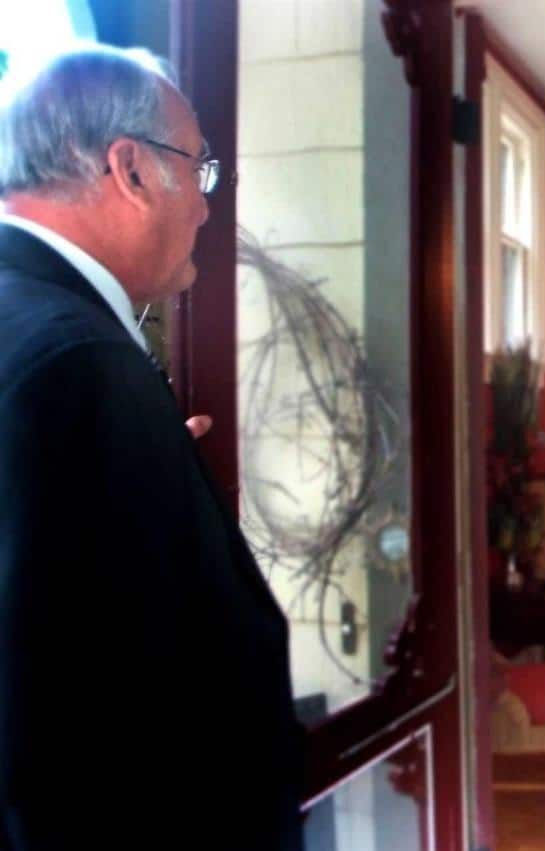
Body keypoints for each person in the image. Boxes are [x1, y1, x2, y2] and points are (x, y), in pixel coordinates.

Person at [0, 46, 303, 849]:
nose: (208, 207)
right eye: (200, 168)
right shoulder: (74, 367)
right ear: (129, 169)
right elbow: (57, 747)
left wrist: (149, 468)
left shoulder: (38, 336)